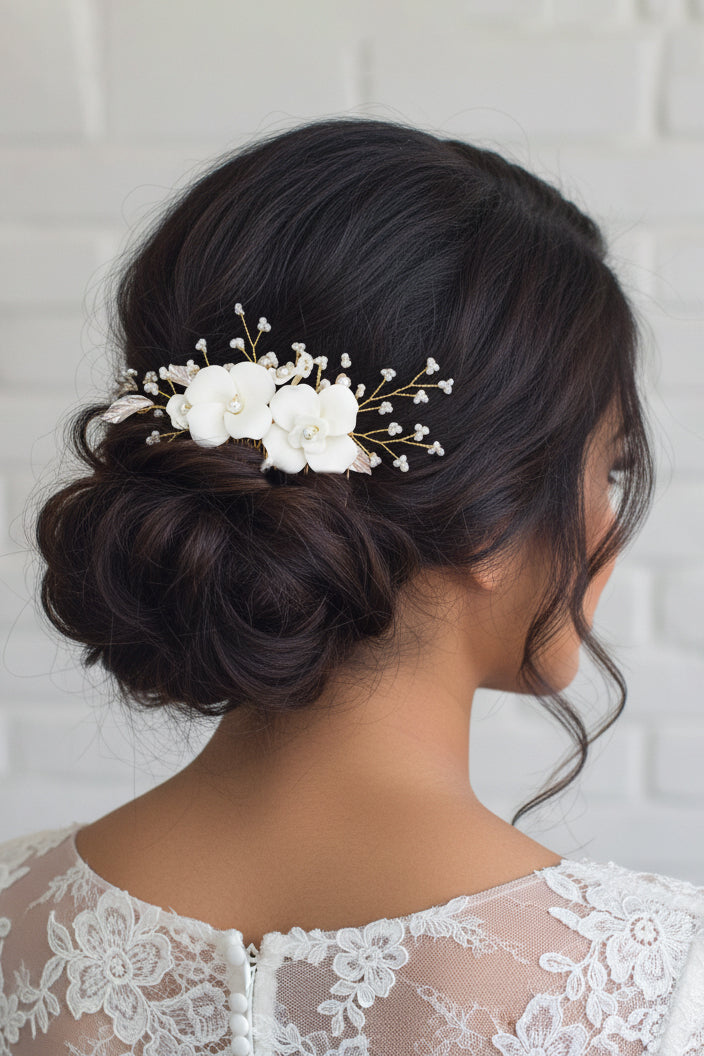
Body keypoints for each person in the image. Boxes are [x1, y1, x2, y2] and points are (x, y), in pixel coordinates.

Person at [0, 117, 702, 1056]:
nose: (612, 524)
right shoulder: (657, 989)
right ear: (491, 520)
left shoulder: (15, 917)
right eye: (608, 470)